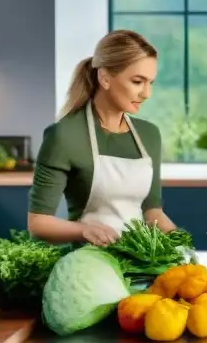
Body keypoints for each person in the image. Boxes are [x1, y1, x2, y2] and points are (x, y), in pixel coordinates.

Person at [27, 29, 179, 246]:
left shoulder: (149, 135)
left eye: (150, 83)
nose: (147, 94)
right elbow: (38, 224)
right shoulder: (65, 135)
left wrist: (182, 245)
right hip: (89, 261)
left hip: (142, 261)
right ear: (105, 78)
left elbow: (153, 213)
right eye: (137, 81)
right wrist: (83, 230)